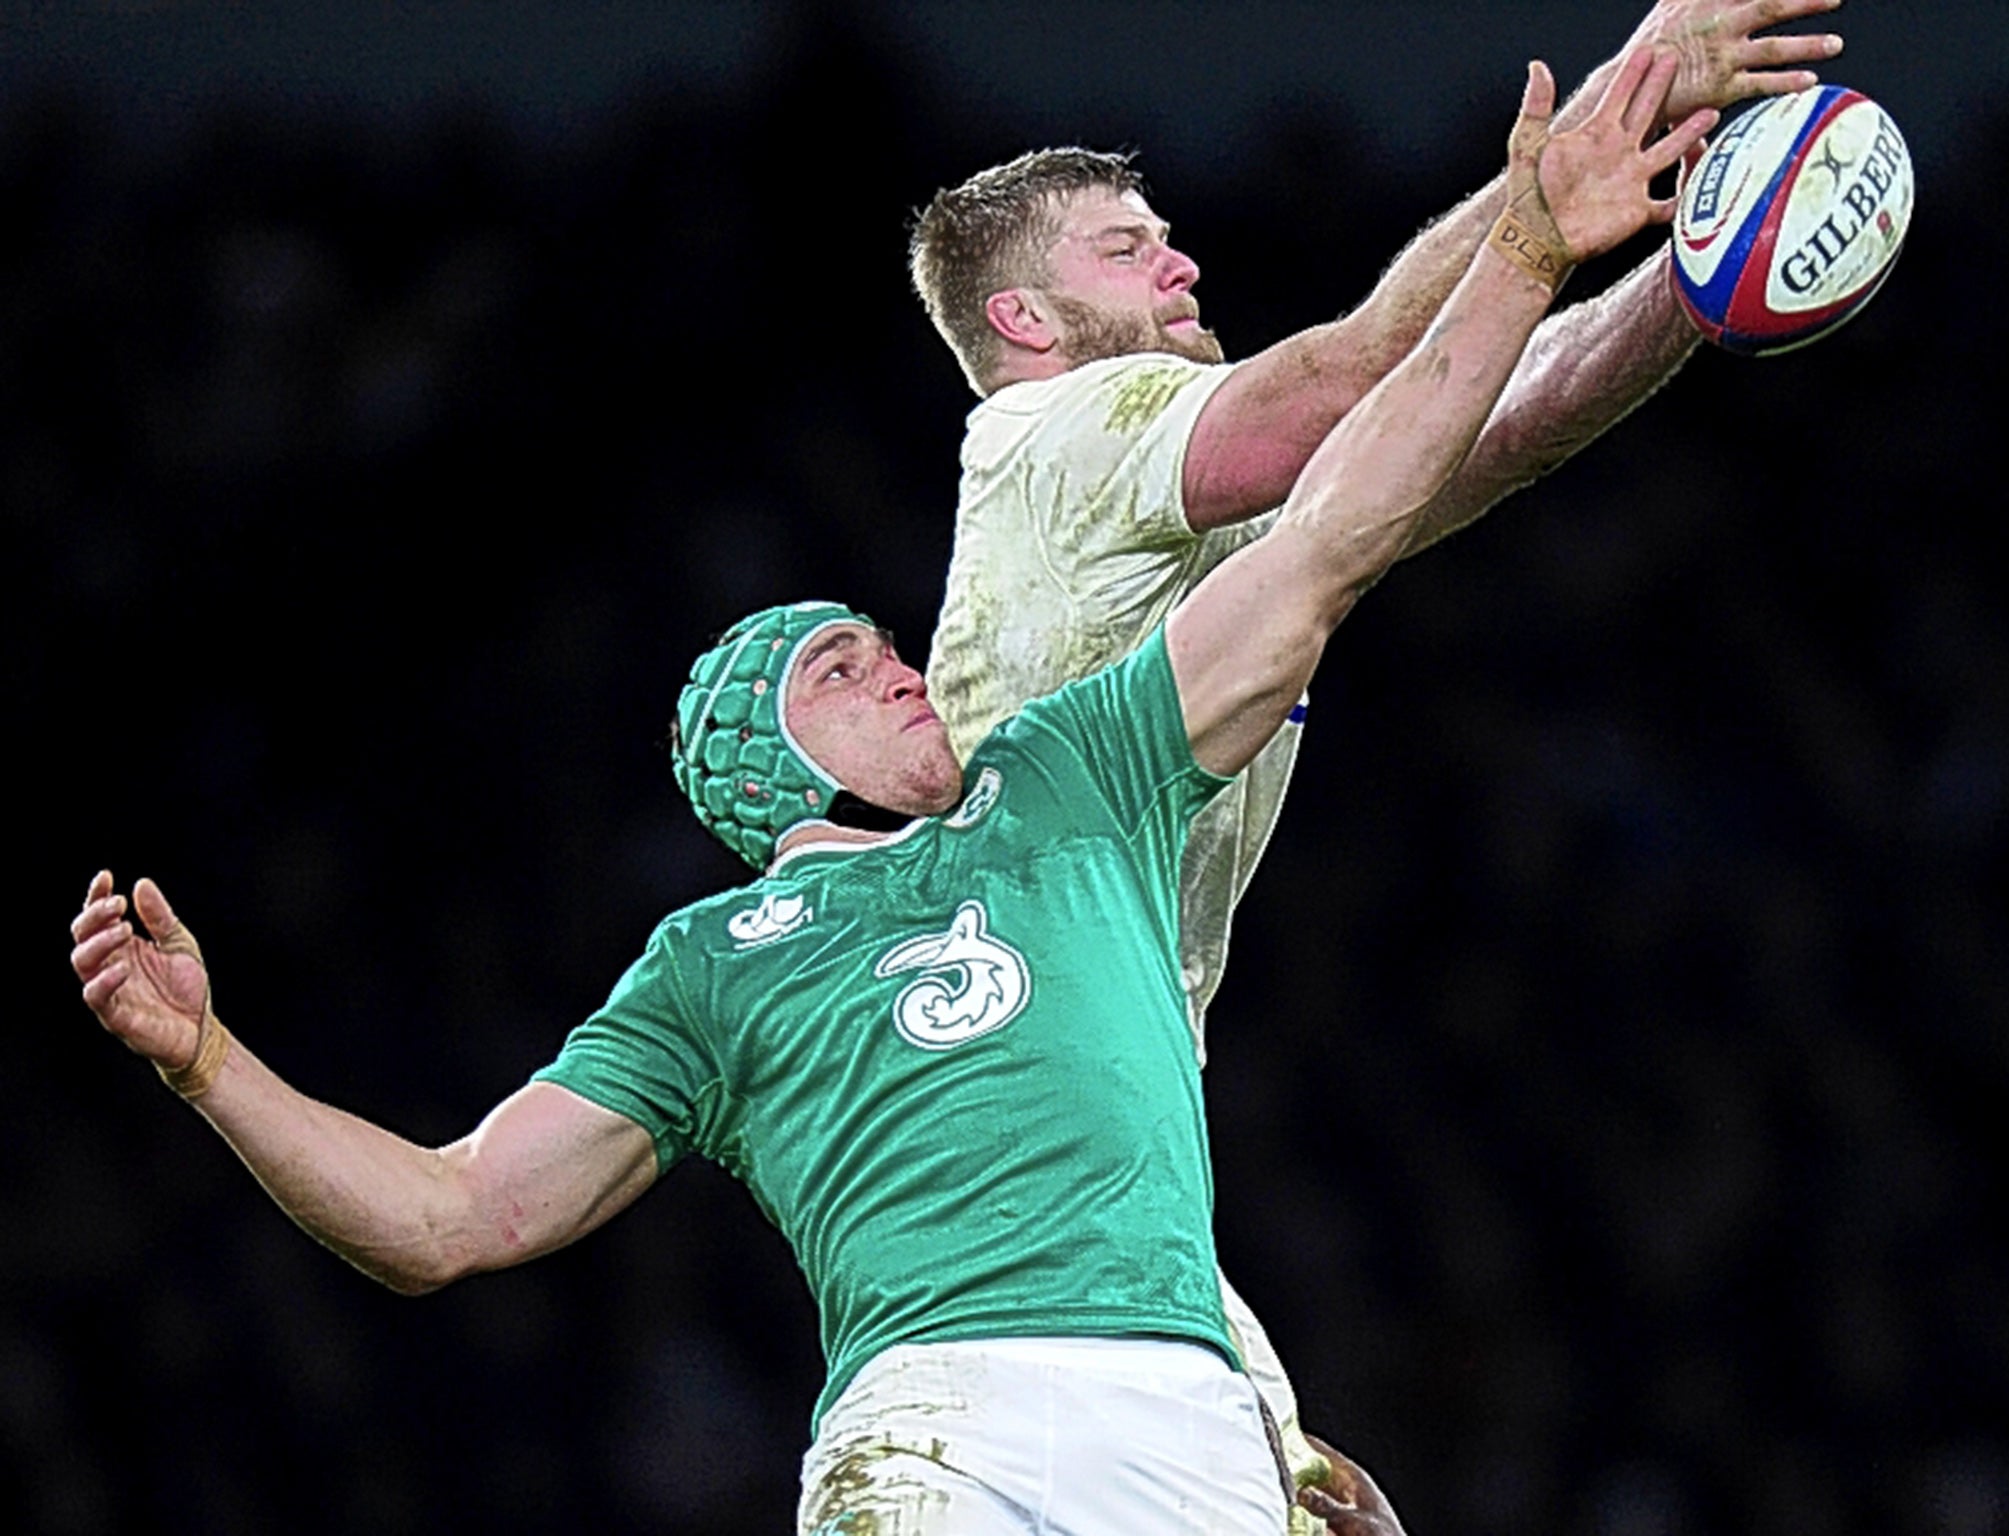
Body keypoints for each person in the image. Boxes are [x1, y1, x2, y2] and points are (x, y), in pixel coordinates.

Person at [70, 51, 1712, 1534]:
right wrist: (214, 1064)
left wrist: (1540, 259)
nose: (905, 668)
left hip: (1184, 1397)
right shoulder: (714, 963)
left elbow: (1343, 528)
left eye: (886, 644)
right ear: (763, 765)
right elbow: (447, 1216)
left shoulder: (1075, 776)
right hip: (941, 1432)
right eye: (841, 671)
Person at [906, 0, 1845, 1518]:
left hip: (1097, 1150)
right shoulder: (1062, 436)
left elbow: (1492, 421)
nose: (1183, 262)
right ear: (1025, 318)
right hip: (1006, 1136)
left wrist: (1700, 274)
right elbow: (1348, 380)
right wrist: (1623, 99)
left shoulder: (1187, 518)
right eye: (1129, 248)